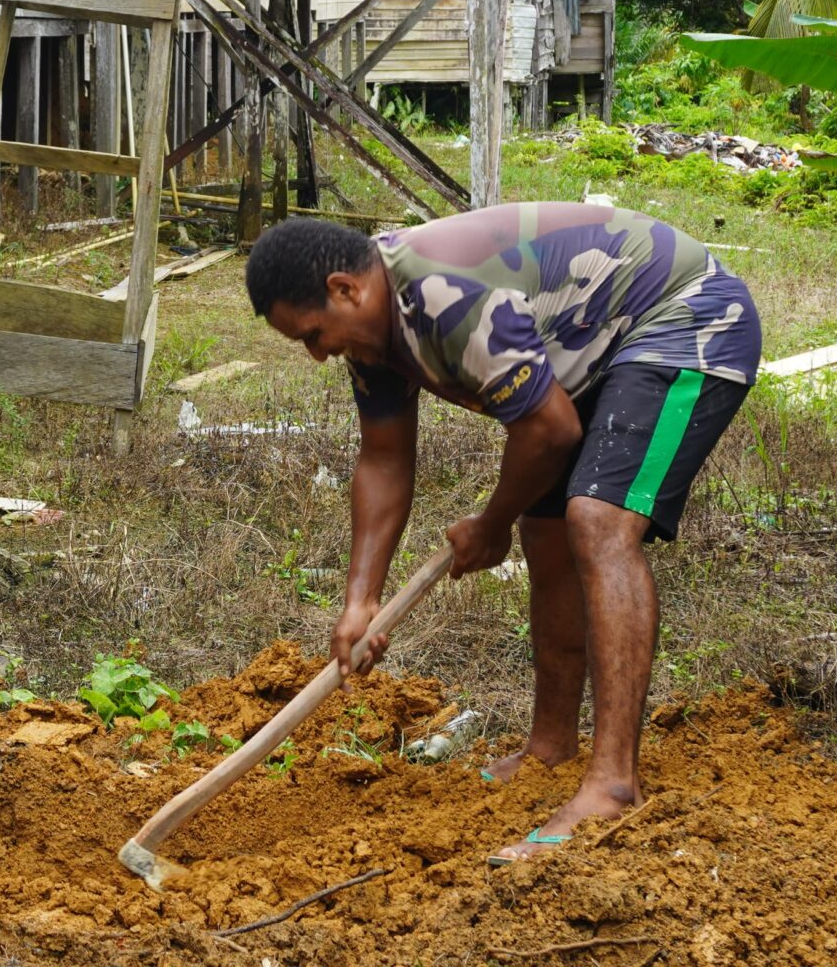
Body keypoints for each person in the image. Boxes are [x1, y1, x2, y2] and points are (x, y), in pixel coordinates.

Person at [245, 206, 759, 864]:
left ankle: (613, 785)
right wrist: (360, 600)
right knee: (545, 535)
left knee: (597, 522)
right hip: (589, 350)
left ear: (346, 289)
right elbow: (383, 456)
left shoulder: (443, 297)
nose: (319, 354)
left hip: (686, 318)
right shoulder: (371, 330)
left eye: (315, 334)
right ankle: (550, 748)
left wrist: (490, 526)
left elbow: (551, 430)